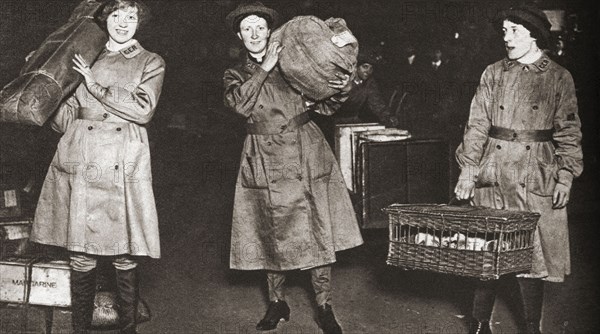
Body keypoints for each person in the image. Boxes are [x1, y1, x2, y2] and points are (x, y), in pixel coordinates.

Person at [223, 2, 363, 334]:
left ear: (269, 30)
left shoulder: (293, 63)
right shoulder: (235, 73)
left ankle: (325, 306)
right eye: (247, 29)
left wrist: (344, 78)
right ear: (239, 36)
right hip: (262, 155)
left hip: (305, 150)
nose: (255, 34)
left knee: (317, 228)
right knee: (270, 230)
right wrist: (264, 67)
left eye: (260, 27)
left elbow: (328, 104)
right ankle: (276, 302)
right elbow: (240, 104)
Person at [30, 1, 165, 333]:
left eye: (131, 16)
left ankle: (128, 329)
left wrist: (95, 86)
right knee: (81, 254)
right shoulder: (84, 56)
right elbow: (64, 120)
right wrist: (45, 90)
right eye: (116, 15)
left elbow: (143, 110)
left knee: (124, 252)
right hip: (81, 153)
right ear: (105, 19)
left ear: (140, 21)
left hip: (123, 155)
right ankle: (80, 330)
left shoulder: (150, 61)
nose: (122, 22)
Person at [454, 4, 583, 334]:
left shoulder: (558, 77)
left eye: (514, 31)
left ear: (534, 36)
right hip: (493, 170)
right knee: (488, 253)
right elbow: (477, 124)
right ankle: (480, 324)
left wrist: (566, 175)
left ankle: (531, 327)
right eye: (504, 30)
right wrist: (469, 170)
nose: (506, 37)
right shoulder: (493, 73)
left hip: (535, 171)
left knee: (531, 257)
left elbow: (568, 130)